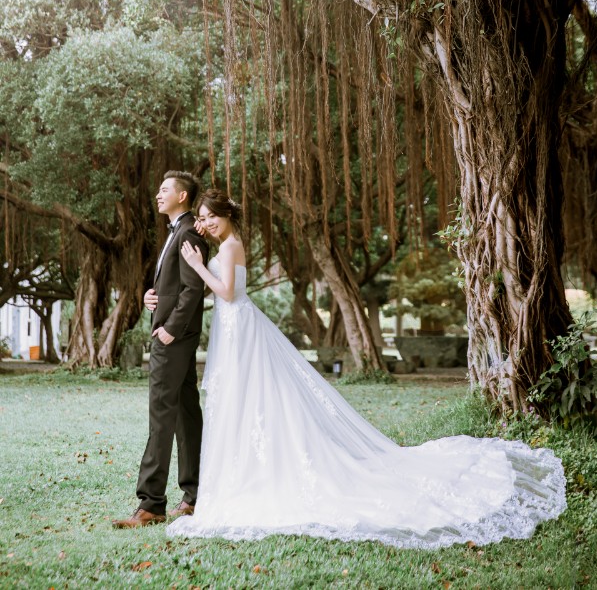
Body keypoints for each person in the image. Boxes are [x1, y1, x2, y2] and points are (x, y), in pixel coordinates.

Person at [167, 188, 566, 549]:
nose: (205, 224)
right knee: (242, 401)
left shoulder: (231, 245)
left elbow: (230, 293)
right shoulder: (223, 247)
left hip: (241, 328)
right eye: (200, 218)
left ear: (227, 215)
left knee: (254, 396)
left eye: (209, 216)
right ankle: (245, 471)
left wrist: (199, 267)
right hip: (233, 330)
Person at [113, 171, 209, 528]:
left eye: (165, 189)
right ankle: (195, 495)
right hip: (176, 335)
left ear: (182, 197)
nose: (157, 194)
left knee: (161, 415)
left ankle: (152, 503)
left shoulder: (187, 233)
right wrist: (152, 298)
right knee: (185, 413)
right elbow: (176, 287)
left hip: (173, 339)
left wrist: (169, 328)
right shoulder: (177, 232)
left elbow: (193, 289)